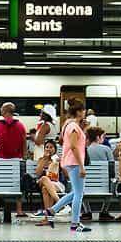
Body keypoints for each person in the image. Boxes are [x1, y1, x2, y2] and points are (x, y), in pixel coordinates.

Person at [42, 98, 91, 233]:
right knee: (79, 194)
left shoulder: (68, 125)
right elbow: (74, 147)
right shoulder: (73, 127)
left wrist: (84, 128)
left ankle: (52, 210)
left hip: (70, 162)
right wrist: (82, 166)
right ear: (79, 112)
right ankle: (75, 223)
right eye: (83, 110)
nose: (85, 112)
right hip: (75, 162)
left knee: (76, 192)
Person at [0, 102, 27, 216]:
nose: (0, 110)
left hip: (2, 160)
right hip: (17, 160)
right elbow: (24, 143)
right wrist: (23, 156)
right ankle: (19, 210)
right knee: (18, 185)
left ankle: (0, 209)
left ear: (5, 111)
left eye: (2, 109)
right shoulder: (21, 125)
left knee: (1, 185)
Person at [32, 139, 63, 227]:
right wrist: (44, 159)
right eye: (47, 147)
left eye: (51, 147)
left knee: (46, 189)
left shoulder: (57, 159)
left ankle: (48, 219)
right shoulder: (41, 159)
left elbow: (66, 175)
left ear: (55, 149)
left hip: (56, 184)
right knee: (45, 178)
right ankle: (60, 203)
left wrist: (61, 163)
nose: (49, 149)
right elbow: (37, 173)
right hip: (42, 181)